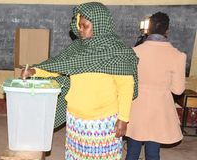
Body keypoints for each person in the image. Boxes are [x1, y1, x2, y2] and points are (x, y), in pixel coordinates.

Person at [21, 2, 138, 159]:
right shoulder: (77, 48)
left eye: (85, 26)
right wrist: (34, 71)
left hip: (103, 122)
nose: (80, 30)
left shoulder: (117, 52)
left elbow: (125, 87)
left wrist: (123, 119)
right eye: (79, 25)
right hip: (76, 120)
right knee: (76, 156)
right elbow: (59, 66)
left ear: (100, 25)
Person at [125, 12, 186, 160]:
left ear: (148, 29)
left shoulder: (134, 52)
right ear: (167, 31)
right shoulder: (178, 56)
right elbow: (178, 90)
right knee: (153, 153)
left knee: (132, 151)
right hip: (159, 111)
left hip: (136, 107)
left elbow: (127, 82)